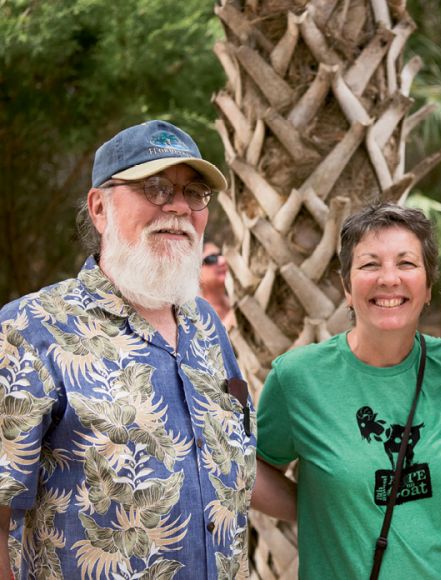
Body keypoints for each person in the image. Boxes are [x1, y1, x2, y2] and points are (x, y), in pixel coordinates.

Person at [0, 120, 257, 577]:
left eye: (194, 193)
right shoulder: (29, 329)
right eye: (155, 188)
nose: (178, 207)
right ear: (99, 207)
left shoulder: (207, 325)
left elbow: (226, 467)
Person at [254, 203, 441, 579]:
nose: (389, 278)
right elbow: (255, 470)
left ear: (428, 288)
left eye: (407, 264)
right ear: (346, 286)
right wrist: (320, 507)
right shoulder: (298, 378)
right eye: (370, 264)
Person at [200, 241, 235, 329]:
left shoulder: (233, 297)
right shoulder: (198, 317)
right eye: (211, 259)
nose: (223, 260)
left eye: (221, 254)